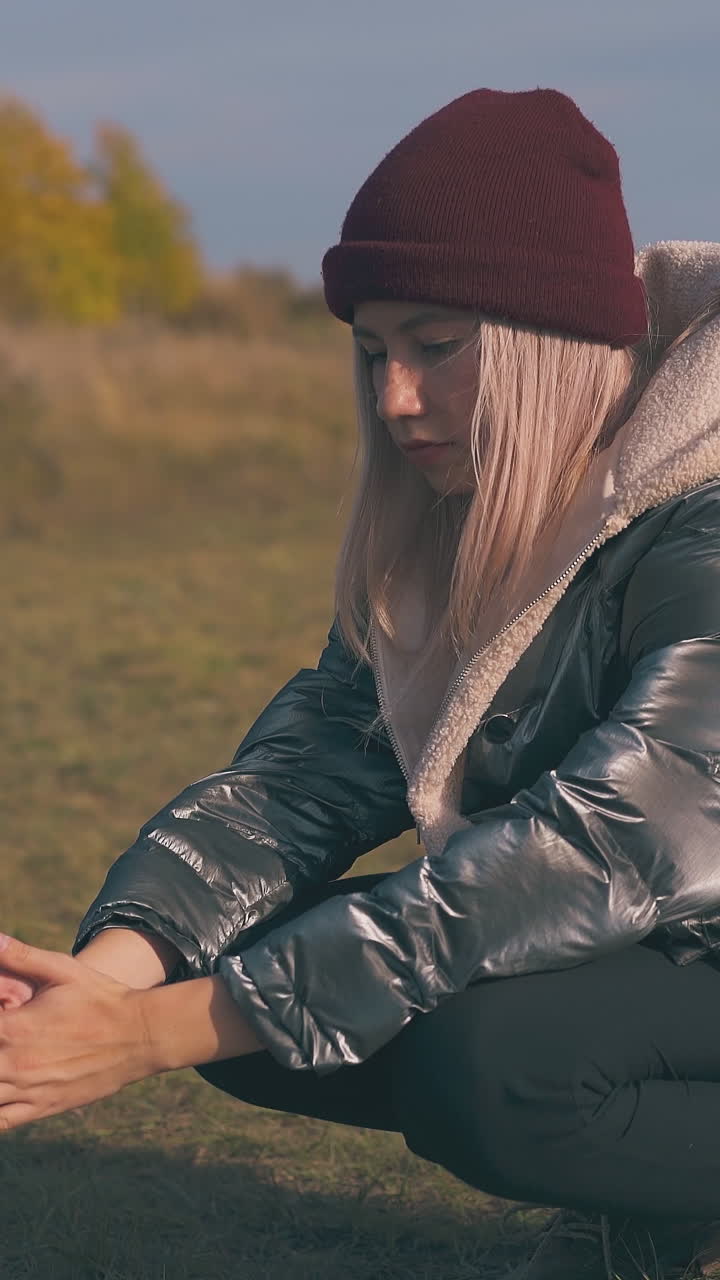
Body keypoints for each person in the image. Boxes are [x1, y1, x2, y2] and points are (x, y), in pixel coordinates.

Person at [2, 86, 720, 1279]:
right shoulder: (467, 522)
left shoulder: (704, 526)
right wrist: (100, 984)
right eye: (375, 351)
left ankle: (659, 1200)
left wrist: (150, 1037)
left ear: (548, 338)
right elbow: (302, 781)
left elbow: (610, 846)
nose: (394, 398)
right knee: (234, 967)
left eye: (436, 345)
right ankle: (662, 1201)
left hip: (680, 926)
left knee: (494, 1068)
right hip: (653, 948)